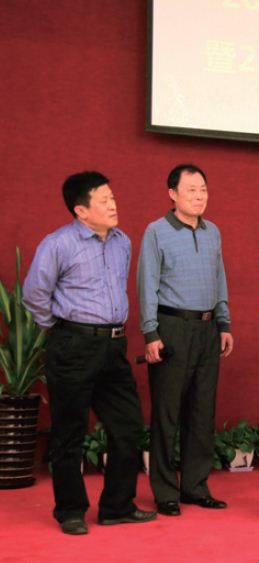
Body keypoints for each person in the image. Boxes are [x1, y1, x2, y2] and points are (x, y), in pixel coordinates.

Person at [22, 171, 156, 535]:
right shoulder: (58, 244)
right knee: (70, 431)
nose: (113, 205)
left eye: (113, 197)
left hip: (113, 346)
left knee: (127, 427)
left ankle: (117, 507)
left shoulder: (122, 242)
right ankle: (70, 510)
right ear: (81, 210)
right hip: (73, 345)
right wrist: (62, 328)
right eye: (104, 200)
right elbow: (34, 294)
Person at [136, 163, 234, 516]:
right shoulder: (156, 232)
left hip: (207, 329)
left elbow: (220, 278)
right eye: (191, 189)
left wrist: (224, 322)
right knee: (167, 413)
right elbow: (147, 284)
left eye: (203, 189)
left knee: (202, 411)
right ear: (172, 193)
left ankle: (195, 486)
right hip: (171, 327)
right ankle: (165, 491)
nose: (199, 196)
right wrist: (150, 332)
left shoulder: (212, 232)